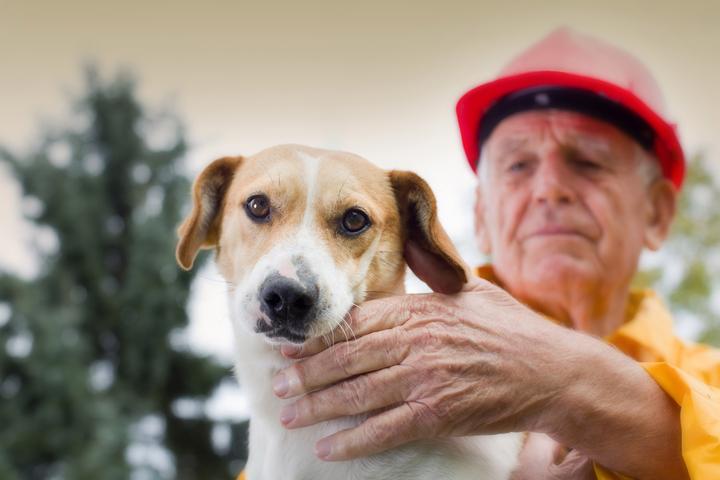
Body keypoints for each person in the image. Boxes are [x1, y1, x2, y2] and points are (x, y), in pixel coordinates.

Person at [267, 29, 720, 479]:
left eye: (588, 162)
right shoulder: (346, 361)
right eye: (518, 165)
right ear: (481, 214)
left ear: (658, 213)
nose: (548, 190)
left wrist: (569, 385)